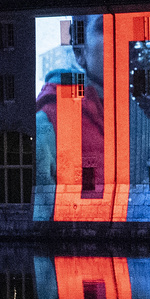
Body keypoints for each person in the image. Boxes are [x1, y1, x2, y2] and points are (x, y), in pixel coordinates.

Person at [34, 15, 106, 219]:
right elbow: (41, 218)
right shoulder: (47, 123)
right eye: (105, 27)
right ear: (80, 52)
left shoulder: (138, 121)